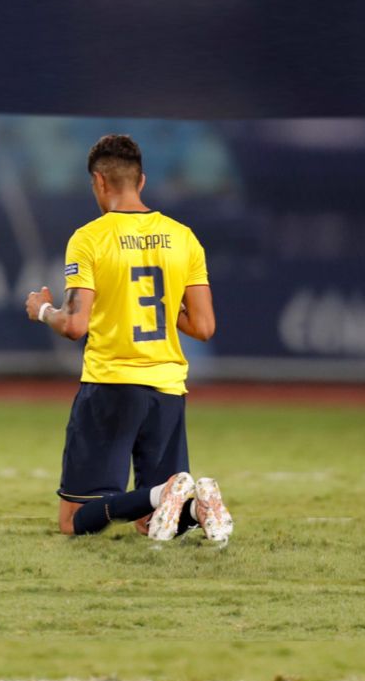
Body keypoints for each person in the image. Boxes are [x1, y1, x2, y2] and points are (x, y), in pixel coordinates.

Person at [24, 133, 233, 545]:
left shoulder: (90, 238)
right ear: (141, 181)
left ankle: (163, 493)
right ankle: (195, 505)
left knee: (74, 519)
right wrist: (160, 303)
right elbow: (204, 327)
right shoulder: (183, 237)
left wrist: (42, 310)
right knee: (152, 521)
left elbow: (75, 326)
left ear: (99, 182)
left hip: (112, 385)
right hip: (168, 389)